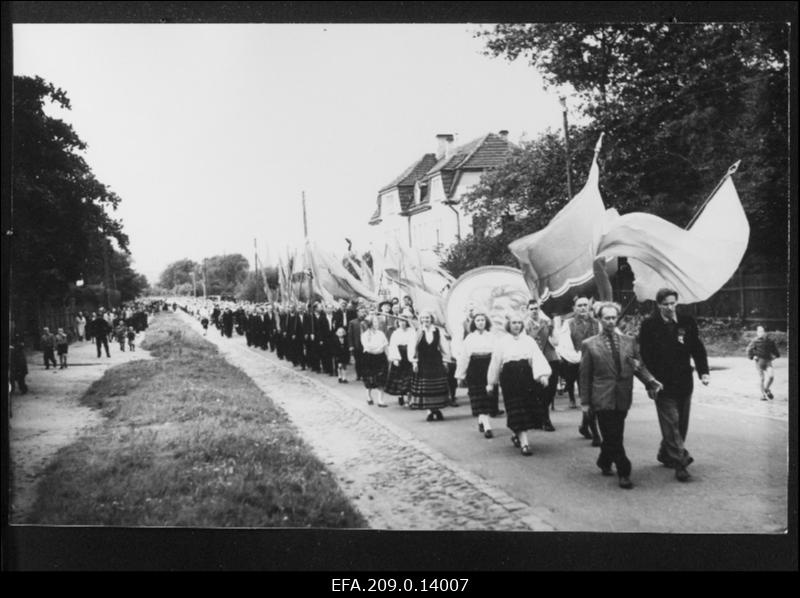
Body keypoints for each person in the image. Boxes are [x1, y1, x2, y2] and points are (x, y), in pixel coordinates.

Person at [579, 302, 663, 489]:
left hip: (623, 395)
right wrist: (585, 403)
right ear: (599, 320)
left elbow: (638, 366)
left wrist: (650, 380)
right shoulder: (590, 345)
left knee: (614, 434)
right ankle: (624, 470)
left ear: (617, 318)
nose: (610, 321)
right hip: (601, 397)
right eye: (606, 318)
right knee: (613, 434)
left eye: (613, 317)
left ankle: (604, 460)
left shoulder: (629, 342)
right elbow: (584, 376)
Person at [638, 288, 709, 483]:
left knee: (681, 424)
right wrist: (649, 382)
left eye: (673, 303)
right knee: (671, 422)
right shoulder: (649, 325)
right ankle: (680, 462)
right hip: (662, 384)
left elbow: (697, 347)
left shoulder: (687, 322)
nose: (670, 307)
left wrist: (704, 371)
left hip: (685, 382)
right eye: (666, 304)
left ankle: (665, 453)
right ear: (658, 304)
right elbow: (644, 355)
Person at [487, 312, 551, 456]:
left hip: (526, 378)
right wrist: (491, 383)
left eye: (519, 323)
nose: (516, 326)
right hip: (509, 378)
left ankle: (519, 435)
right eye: (513, 323)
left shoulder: (528, 340)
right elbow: (495, 363)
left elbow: (537, 357)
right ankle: (525, 444)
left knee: (525, 409)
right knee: (515, 408)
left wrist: (542, 375)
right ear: (508, 325)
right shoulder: (502, 342)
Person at [557, 296, 602, 446]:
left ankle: (584, 425)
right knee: (586, 397)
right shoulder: (568, 324)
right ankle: (595, 433)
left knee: (594, 398)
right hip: (578, 365)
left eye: (585, 305)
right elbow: (565, 347)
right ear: (574, 308)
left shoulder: (597, 324)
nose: (583, 308)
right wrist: (580, 358)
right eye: (579, 306)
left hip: (596, 365)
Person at [456, 312, 497, 439]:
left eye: (483, 320)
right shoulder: (469, 338)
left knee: (487, 396)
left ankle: (482, 420)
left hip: (488, 367)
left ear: (486, 322)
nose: (480, 322)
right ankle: (487, 426)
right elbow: (464, 357)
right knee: (479, 396)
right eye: (478, 320)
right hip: (474, 369)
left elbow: (497, 355)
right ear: (474, 323)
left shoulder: (492, 337)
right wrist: (460, 375)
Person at [409, 311, 452, 421]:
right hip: (423, 362)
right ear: (420, 319)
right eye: (423, 318)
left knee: (436, 387)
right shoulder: (417, 332)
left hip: (436, 361)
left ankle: (436, 409)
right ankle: (430, 411)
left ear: (431, 319)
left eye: (427, 318)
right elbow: (413, 348)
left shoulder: (437, 331)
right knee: (427, 388)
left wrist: (445, 361)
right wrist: (414, 362)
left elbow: (444, 347)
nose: (425, 320)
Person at [525, 299, 558, 432]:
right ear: (528, 310)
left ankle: (541, 415)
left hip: (550, 358)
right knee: (540, 391)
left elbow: (556, 341)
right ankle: (545, 418)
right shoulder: (525, 326)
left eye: (536, 308)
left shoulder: (547, 323)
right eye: (531, 308)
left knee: (551, 390)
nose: (534, 311)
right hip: (536, 361)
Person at [383, 309, 416, 406]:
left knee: (410, 378)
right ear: (398, 322)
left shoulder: (412, 332)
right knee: (399, 377)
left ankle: (410, 399)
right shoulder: (396, 332)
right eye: (401, 322)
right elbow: (392, 345)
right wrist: (395, 358)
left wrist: (413, 358)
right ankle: (400, 395)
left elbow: (414, 344)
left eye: (404, 322)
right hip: (399, 355)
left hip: (409, 355)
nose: (402, 324)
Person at [360, 315, 389, 407]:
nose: (377, 324)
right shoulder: (365, 335)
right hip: (369, 358)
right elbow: (368, 347)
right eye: (375, 322)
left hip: (381, 358)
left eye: (377, 322)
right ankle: (368, 396)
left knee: (382, 379)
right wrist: (378, 348)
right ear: (370, 323)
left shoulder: (381, 334)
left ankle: (380, 400)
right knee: (370, 378)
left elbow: (385, 345)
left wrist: (389, 356)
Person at [746, 325, 780, 400]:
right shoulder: (755, 341)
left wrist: (776, 356)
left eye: (762, 331)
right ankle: (763, 395)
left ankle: (766, 389)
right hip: (759, 362)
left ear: (765, 332)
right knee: (762, 378)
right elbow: (748, 350)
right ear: (757, 333)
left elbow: (775, 351)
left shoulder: (770, 341)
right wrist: (752, 356)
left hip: (768, 361)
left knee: (771, 376)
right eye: (759, 331)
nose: (760, 333)